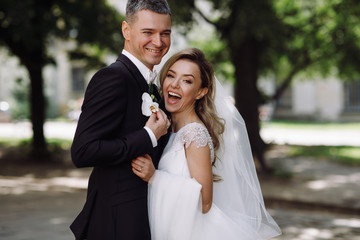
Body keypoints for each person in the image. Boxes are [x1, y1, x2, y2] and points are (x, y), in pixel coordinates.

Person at [132, 48, 282, 239]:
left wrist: (155, 177)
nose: (175, 85)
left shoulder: (195, 134)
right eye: (171, 75)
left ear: (201, 92)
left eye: (187, 80)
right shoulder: (168, 128)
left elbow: (205, 202)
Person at [70, 0, 172, 239]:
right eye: (148, 32)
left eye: (165, 33)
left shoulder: (151, 86)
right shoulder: (112, 78)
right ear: (126, 30)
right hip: (115, 222)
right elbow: (83, 151)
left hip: (141, 216)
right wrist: (147, 136)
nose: (158, 42)